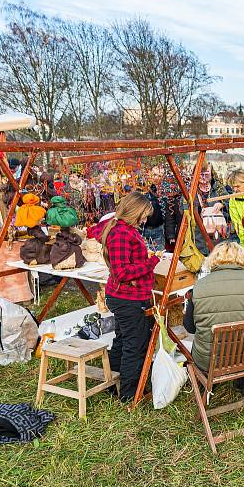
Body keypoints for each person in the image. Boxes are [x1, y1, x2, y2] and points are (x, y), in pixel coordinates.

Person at [183, 241, 244, 396]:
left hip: (211, 360)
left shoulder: (199, 286)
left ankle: (206, 383)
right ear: (243, 259)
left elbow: (190, 327)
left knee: (203, 344)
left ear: (213, 260)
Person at [99, 192, 162, 402]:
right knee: (134, 345)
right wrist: (151, 263)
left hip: (130, 296)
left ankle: (112, 383)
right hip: (127, 298)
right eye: (143, 215)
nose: (145, 220)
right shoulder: (121, 234)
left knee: (123, 340)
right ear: (134, 212)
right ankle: (129, 393)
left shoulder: (125, 230)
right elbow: (122, 273)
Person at [142, 166, 166, 252]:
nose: (156, 178)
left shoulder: (165, 191)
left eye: (159, 176)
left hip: (159, 228)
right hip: (145, 228)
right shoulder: (145, 190)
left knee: (159, 254)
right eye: (154, 175)